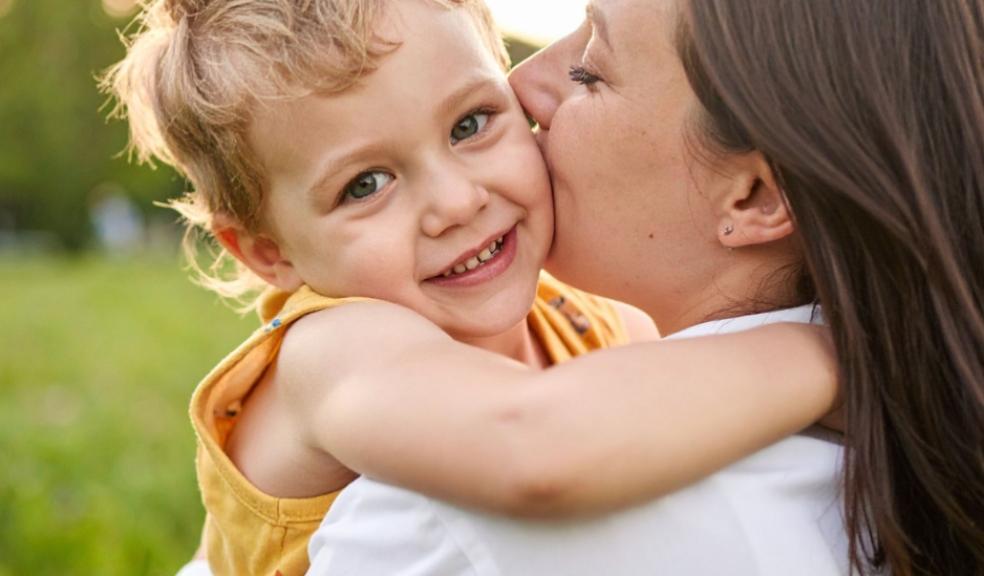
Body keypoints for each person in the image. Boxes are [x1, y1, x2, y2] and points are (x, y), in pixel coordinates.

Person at [103, 1, 838, 575]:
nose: (457, 201)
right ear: (267, 253)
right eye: (366, 184)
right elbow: (536, 449)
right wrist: (833, 354)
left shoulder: (583, 319)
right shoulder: (332, 352)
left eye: (471, 124)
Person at [307, 0, 984, 575]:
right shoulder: (900, 469)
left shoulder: (457, 507)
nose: (521, 84)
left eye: (587, 72)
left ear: (752, 198)